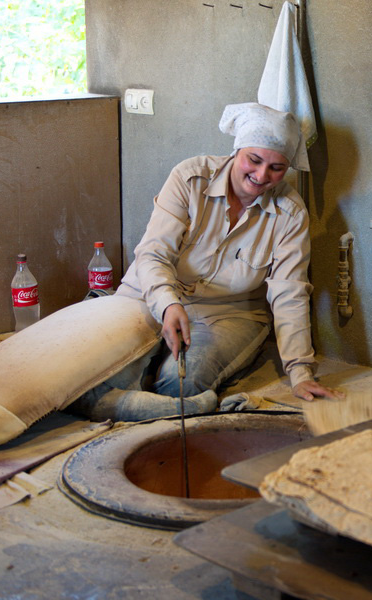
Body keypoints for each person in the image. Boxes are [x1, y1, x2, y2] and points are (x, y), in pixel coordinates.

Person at [71, 102, 339, 421]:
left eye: (276, 168)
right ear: (236, 150)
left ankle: (175, 401)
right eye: (253, 160)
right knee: (88, 376)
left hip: (230, 312)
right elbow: (153, 255)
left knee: (179, 382)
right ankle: (182, 404)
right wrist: (169, 304)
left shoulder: (290, 214)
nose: (261, 175)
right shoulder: (189, 178)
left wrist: (300, 372)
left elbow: (289, 293)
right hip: (151, 293)